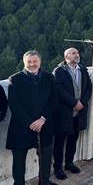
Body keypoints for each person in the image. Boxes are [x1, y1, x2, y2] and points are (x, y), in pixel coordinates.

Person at [6, 51, 58, 185]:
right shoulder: (15, 79)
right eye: (29, 62)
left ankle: (44, 181)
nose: (32, 64)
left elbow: (53, 100)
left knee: (45, 157)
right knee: (18, 160)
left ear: (40, 62)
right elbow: (14, 104)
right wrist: (30, 122)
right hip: (21, 126)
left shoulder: (49, 78)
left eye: (35, 61)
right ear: (24, 62)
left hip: (44, 124)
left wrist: (43, 119)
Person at [52, 47, 92, 180]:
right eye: (73, 53)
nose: (77, 55)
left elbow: (89, 88)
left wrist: (83, 102)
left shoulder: (83, 69)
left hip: (79, 112)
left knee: (73, 138)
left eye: (77, 53)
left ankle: (69, 163)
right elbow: (59, 90)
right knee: (60, 141)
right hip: (64, 112)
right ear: (66, 57)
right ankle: (57, 167)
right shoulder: (58, 71)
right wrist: (74, 102)